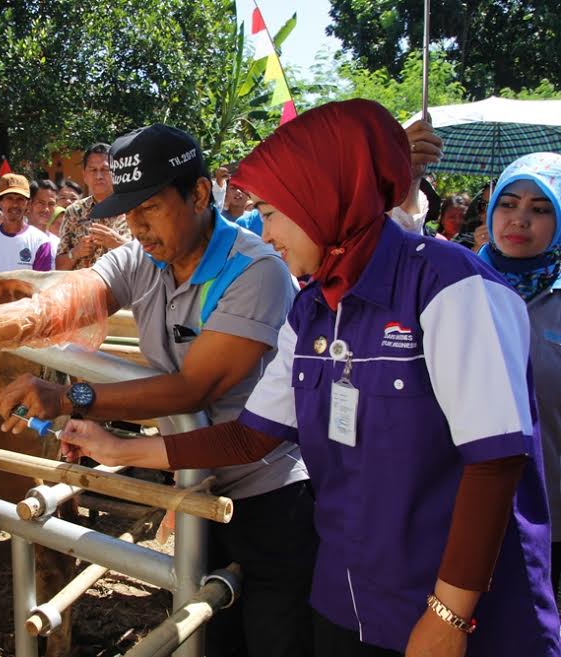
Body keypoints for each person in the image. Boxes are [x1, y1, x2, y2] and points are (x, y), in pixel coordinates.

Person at [56, 100, 561, 657]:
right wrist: (120, 447)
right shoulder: (314, 308)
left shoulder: (451, 287)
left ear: (325, 196)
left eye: (273, 212)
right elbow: (250, 436)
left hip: (456, 610)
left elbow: (495, 462)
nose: (265, 234)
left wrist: (449, 615)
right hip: (347, 597)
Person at [0, 124, 315, 657]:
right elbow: (62, 303)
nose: (137, 227)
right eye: (129, 212)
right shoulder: (148, 257)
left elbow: (194, 388)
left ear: (200, 194)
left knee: (272, 638)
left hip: (267, 493)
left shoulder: (255, 272)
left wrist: (70, 396)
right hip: (196, 483)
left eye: (150, 208)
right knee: (207, 633)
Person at [476, 152, 561, 597]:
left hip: (553, 515)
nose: (520, 219)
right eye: (508, 204)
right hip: (464, 506)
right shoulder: (454, 286)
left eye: (541, 208)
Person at [55, 143, 130, 270]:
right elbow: (59, 267)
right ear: (84, 174)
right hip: (82, 288)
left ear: (116, 172)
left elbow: (150, 258)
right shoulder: (74, 211)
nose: (99, 176)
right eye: (93, 170)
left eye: (105, 170)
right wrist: (76, 253)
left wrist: (118, 243)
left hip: (121, 288)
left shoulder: (133, 208)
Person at [0, 173, 53, 273]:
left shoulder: (41, 242)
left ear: (28, 204)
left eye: (20, 199)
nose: (15, 204)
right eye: (9, 198)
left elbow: (41, 284)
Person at [28, 179, 60, 250]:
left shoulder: (58, 245)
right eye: (41, 203)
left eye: (51, 204)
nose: (46, 209)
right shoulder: (17, 238)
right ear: (29, 204)